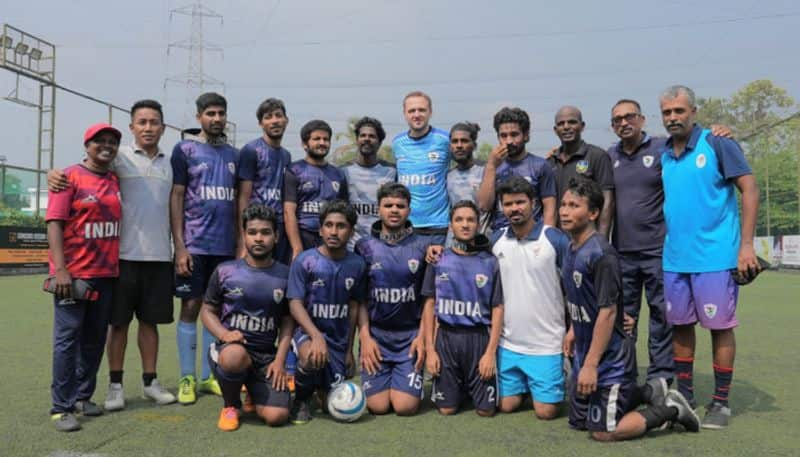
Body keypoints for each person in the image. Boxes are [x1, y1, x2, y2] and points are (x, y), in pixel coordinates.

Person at [47, 100, 176, 411]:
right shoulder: (119, 158)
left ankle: (150, 383)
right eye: (141, 122)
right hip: (121, 258)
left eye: (154, 122)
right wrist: (53, 174)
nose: (148, 127)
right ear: (132, 127)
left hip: (159, 257)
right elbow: (84, 168)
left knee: (150, 323)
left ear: (162, 127)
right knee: (117, 325)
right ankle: (115, 387)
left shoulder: (171, 162)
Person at [607, 98, 734, 394]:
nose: (624, 123)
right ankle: (624, 377)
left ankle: (660, 379)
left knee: (661, 319)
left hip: (659, 252)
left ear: (642, 119)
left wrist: (719, 130)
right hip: (622, 252)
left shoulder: (662, 148)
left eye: (629, 117)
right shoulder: (608, 156)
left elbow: (690, 139)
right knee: (624, 319)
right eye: (617, 120)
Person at [560, 178, 700, 441]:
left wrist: (591, 365)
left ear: (593, 213)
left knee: (602, 432)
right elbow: (579, 298)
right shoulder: (570, 248)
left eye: (574, 206)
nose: (565, 211)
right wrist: (571, 330)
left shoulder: (601, 254)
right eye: (564, 204)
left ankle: (671, 410)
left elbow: (609, 311)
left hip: (610, 360)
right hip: (584, 351)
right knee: (578, 422)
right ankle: (648, 392)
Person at [659, 85, 760, 429]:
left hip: (716, 259)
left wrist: (746, 246)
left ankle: (721, 402)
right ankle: (685, 396)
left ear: (694, 112)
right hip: (675, 259)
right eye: (667, 112)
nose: (673, 118)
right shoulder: (662, 152)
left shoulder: (718, 143)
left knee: (719, 329)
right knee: (681, 329)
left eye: (679, 111)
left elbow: (749, 187)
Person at [46, 123, 123, 431]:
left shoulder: (116, 178)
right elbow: (54, 223)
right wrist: (60, 269)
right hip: (74, 275)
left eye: (111, 142)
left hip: (106, 274)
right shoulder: (68, 178)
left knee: (94, 339)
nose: (106, 146)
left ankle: (82, 396)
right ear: (87, 145)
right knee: (67, 341)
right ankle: (60, 406)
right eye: (99, 141)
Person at [170, 92, 239, 404]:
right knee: (190, 306)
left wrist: (240, 246)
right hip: (195, 245)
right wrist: (180, 246)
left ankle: (209, 375)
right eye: (210, 113)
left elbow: (240, 203)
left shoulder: (235, 155)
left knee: (217, 311)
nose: (217, 118)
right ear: (199, 117)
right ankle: (186, 377)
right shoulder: (184, 149)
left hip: (225, 249)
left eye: (221, 113)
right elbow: (177, 196)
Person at [200, 204, 294, 431]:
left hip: (266, 357)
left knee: (277, 416)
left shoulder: (286, 275)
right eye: (252, 232)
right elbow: (207, 311)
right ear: (244, 235)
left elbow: (288, 321)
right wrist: (224, 334)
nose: (259, 238)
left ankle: (253, 391)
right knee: (233, 356)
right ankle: (231, 405)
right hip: (231, 350)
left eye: (265, 232)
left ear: (276, 236)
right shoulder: (225, 271)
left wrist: (280, 361)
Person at [490, 176, 567, 420]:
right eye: (508, 204)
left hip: (547, 343)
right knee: (505, 405)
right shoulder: (495, 240)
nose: (514, 209)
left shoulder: (553, 238)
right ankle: (525, 387)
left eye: (520, 202)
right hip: (509, 344)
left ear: (533, 203)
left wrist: (573, 329)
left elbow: (575, 285)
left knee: (546, 412)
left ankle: (562, 373)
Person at [287, 200, 367, 424]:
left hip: (337, 339)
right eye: (328, 225)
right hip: (308, 333)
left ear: (351, 231)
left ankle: (315, 384)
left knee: (330, 404)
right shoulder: (306, 261)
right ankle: (300, 401)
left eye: (341, 226)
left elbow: (354, 307)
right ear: (320, 229)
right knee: (313, 356)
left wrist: (349, 349)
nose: (334, 231)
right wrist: (315, 335)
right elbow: (294, 303)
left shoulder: (358, 265)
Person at [422, 200, 504, 417]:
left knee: (486, 411)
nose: (465, 224)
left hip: (478, 339)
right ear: (450, 226)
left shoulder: (490, 262)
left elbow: (498, 308)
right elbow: (429, 305)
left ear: (478, 225)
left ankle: (468, 385)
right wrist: (430, 350)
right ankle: (459, 386)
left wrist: (490, 353)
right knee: (447, 410)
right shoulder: (438, 260)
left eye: (470, 220)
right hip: (447, 339)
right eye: (459, 220)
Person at [355, 183, 428, 415]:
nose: (394, 210)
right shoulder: (364, 247)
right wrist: (365, 338)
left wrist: (422, 337)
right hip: (377, 336)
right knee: (377, 407)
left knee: (405, 407)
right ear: (379, 209)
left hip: (409, 337)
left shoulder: (422, 246)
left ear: (409, 210)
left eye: (400, 206)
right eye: (388, 205)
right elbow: (360, 300)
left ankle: (412, 386)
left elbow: (429, 300)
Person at [478, 107, 557, 231]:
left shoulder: (541, 166)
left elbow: (549, 208)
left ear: (526, 136)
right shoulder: (491, 167)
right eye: (503, 136)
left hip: (533, 236)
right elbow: (484, 206)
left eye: (514, 135)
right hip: (500, 236)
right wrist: (491, 167)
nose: (509, 141)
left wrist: (547, 239)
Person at [237, 98, 293, 264]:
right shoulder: (251, 150)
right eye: (268, 117)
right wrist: (243, 240)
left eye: (278, 115)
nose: (275, 120)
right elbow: (243, 197)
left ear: (286, 120)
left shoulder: (286, 155)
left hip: (279, 226)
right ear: (261, 123)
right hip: (257, 226)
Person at [283, 120, 349, 260]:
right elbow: (289, 212)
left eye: (326, 139)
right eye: (317, 139)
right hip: (303, 236)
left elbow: (344, 213)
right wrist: (297, 247)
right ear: (305, 144)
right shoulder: (294, 170)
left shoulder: (338, 174)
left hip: (329, 240)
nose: (322, 143)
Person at [393, 91, 451, 245]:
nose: (417, 115)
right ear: (405, 114)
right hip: (406, 226)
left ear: (430, 112)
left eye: (421, 110)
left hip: (438, 226)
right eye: (412, 111)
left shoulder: (445, 140)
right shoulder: (397, 143)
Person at [547, 106, 614, 236]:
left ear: (582, 126)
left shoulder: (597, 156)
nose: (566, 127)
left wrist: (601, 241)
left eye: (572, 122)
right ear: (555, 130)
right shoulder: (549, 162)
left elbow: (608, 202)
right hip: (557, 242)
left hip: (586, 240)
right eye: (561, 124)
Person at [340, 116, 397, 249]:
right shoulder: (343, 172)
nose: (366, 139)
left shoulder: (392, 171)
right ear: (357, 140)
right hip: (351, 246)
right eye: (363, 135)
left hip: (383, 245)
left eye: (372, 136)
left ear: (379, 142)